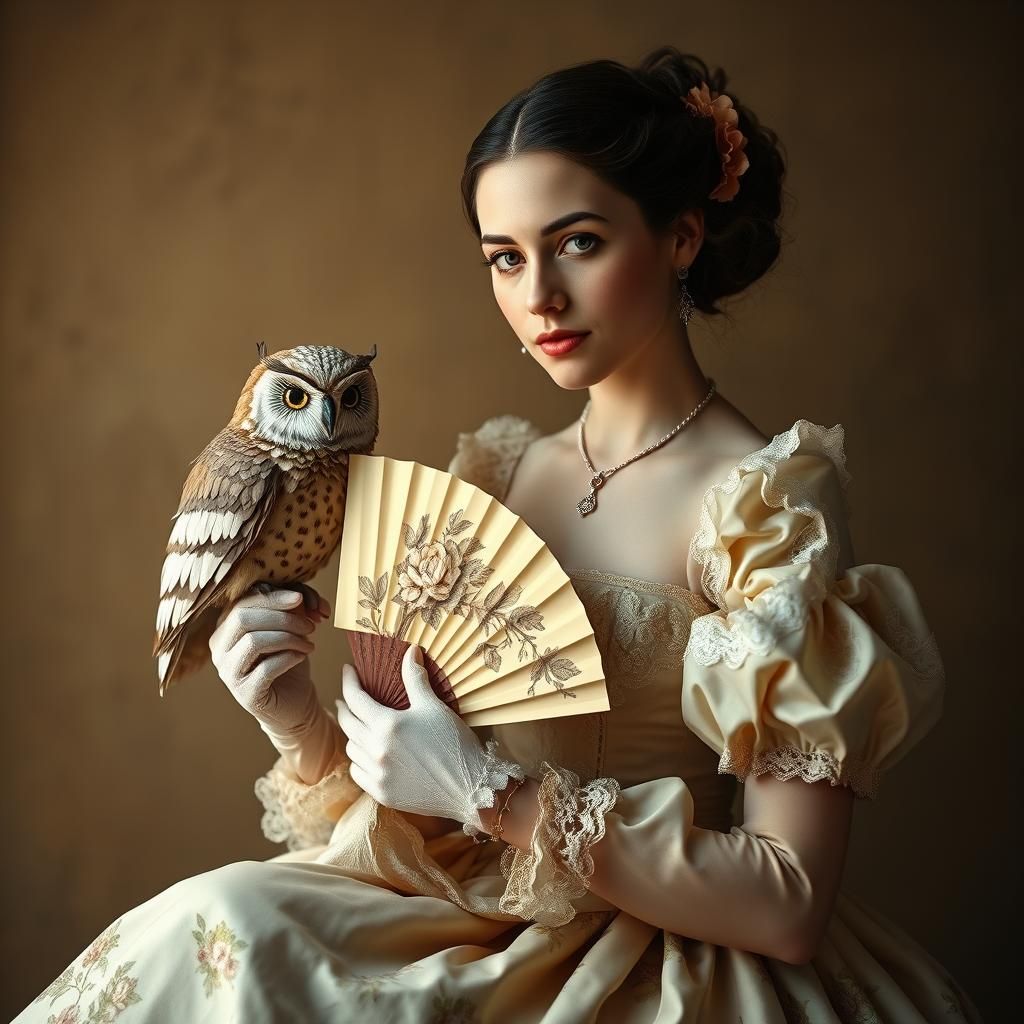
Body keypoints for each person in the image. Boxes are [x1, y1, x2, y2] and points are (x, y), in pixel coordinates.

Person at [16, 46, 983, 1023]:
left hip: (666, 958)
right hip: (469, 917)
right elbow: (415, 807)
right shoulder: (500, 470)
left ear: (681, 236)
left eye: (578, 243)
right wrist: (296, 720)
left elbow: (788, 904)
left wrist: (493, 792)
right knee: (220, 923)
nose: (538, 297)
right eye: (505, 258)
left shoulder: (763, 509)